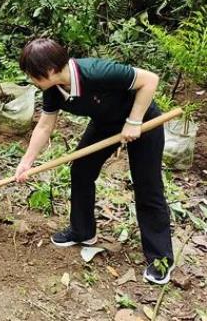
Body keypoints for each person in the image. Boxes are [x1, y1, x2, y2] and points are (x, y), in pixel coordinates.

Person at [15, 38, 174, 285]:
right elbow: (45, 125)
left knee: (147, 185)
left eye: (31, 74)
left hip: (143, 120)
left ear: (47, 71)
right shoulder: (52, 90)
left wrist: (133, 121)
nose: (30, 80)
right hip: (105, 124)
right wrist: (27, 162)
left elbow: (149, 80)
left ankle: (160, 258)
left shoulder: (96, 71)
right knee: (81, 170)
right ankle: (83, 230)